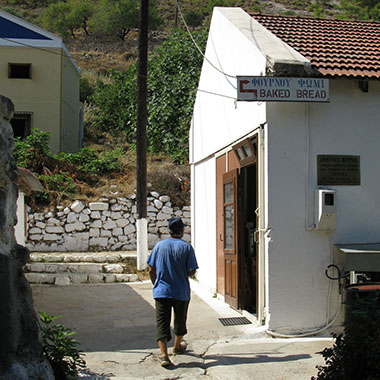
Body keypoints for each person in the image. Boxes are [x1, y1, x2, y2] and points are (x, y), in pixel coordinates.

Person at [147, 217, 198, 367]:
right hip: (181, 291)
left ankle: (164, 355)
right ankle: (177, 346)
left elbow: (151, 269)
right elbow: (192, 270)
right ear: (182, 231)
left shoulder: (159, 246)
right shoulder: (186, 247)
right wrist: (181, 273)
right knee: (180, 320)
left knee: (162, 323)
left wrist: (156, 283)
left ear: (169, 231)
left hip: (162, 291)